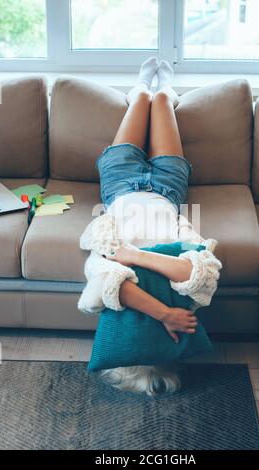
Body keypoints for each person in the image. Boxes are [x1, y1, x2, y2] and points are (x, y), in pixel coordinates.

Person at [79, 57, 222, 345]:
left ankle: (142, 84)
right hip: (167, 187)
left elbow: (106, 288)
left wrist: (159, 312)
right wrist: (167, 312)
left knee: (143, 97)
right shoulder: (182, 293)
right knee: (161, 102)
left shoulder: (111, 279)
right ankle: (167, 87)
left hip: (120, 183)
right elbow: (202, 269)